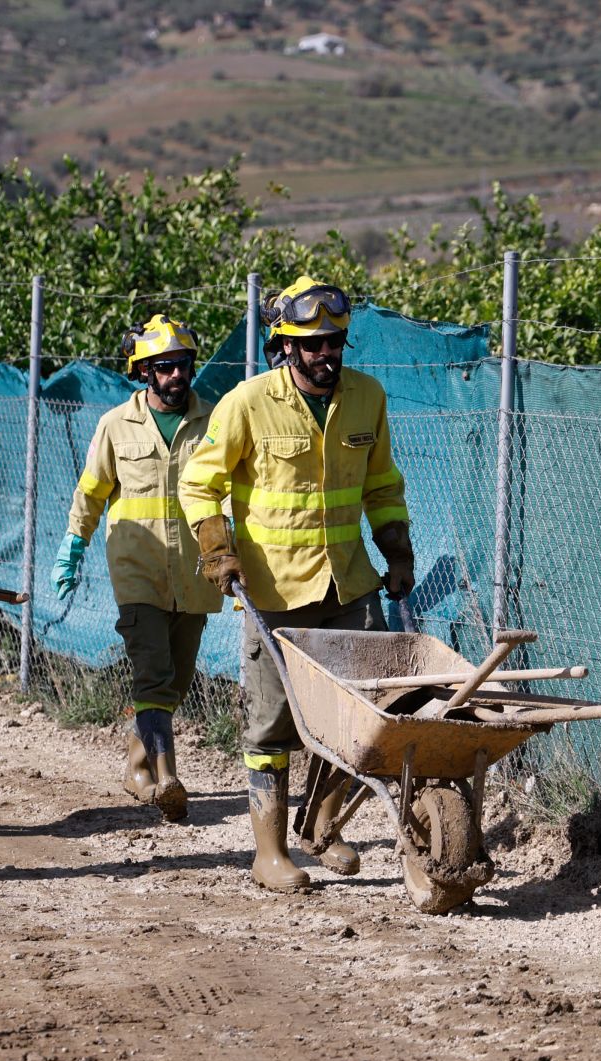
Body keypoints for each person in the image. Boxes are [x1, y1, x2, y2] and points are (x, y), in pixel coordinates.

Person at [178, 277, 415, 892]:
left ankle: (323, 828)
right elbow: (200, 483)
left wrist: (397, 549)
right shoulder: (247, 402)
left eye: (333, 342)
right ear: (285, 347)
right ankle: (270, 853)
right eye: (311, 346)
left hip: (349, 587)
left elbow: (382, 485)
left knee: (365, 716)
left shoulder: (367, 397)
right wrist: (217, 549)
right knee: (272, 724)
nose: (325, 355)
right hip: (274, 594)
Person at [55, 314, 218, 822]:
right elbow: (91, 491)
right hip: (137, 571)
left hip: (195, 575)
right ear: (144, 371)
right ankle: (168, 778)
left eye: (183, 365)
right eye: (164, 367)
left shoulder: (213, 422)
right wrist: (72, 546)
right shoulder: (114, 426)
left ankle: (136, 766)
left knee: (176, 681)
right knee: (153, 673)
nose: (175, 376)